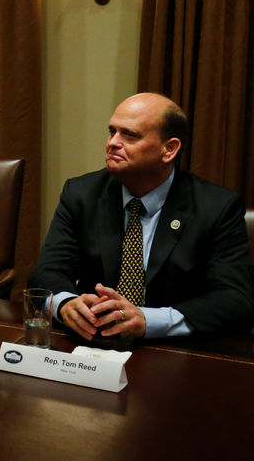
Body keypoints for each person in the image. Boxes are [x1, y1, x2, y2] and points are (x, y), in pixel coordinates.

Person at [29, 92, 254, 340]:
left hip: (174, 352)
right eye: (112, 131)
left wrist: (149, 320)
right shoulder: (81, 193)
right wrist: (66, 305)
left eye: (130, 135)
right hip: (93, 346)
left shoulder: (217, 207)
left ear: (169, 149)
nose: (112, 142)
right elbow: (47, 270)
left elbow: (235, 299)